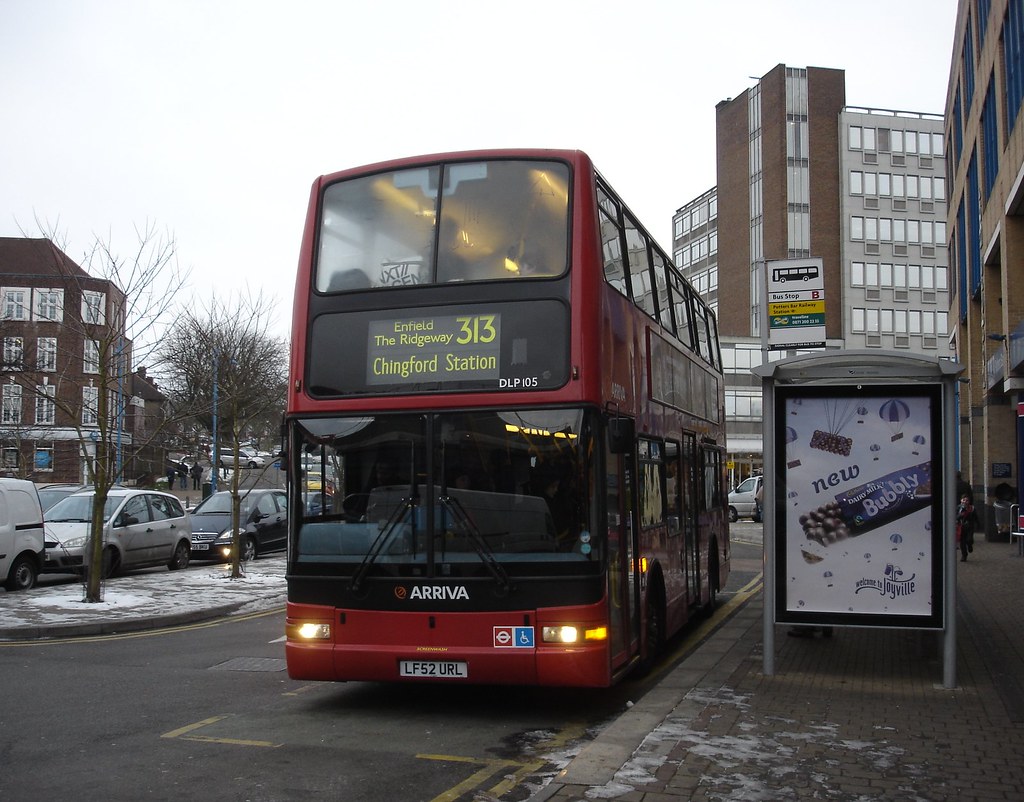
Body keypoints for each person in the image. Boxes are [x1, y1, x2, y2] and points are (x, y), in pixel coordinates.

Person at [957, 493, 978, 562]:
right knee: (962, 542)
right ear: (961, 500)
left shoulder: (972, 509)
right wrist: (959, 516)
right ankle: (964, 555)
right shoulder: (958, 508)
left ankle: (969, 545)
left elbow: (975, 517)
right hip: (961, 527)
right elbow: (955, 516)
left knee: (969, 539)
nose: (965, 502)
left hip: (969, 527)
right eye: (963, 500)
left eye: (967, 500)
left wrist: (977, 524)